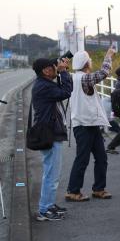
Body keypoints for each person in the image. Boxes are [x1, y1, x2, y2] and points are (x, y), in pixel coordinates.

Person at [65, 48, 115, 201]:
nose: (91, 62)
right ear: (86, 63)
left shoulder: (74, 77)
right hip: (84, 124)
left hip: (88, 123)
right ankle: (73, 191)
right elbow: (103, 73)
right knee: (83, 158)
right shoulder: (83, 78)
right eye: (90, 60)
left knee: (101, 157)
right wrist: (108, 57)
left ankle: (99, 189)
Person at [31, 57, 73, 221]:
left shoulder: (44, 84)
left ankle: (48, 204)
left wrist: (63, 72)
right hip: (48, 133)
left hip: (48, 131)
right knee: (51, 174)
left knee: (51, 172)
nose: (56, 68)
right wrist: (63, 72)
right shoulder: (44, 86)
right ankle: (44, 210)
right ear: (45, 71)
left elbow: (63, 90)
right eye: (53, 67)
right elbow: (66, 92)